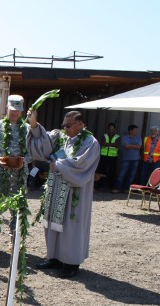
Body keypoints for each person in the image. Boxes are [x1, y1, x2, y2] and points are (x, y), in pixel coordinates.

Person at [27, 110, 100, 278]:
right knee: (53, 221)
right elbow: (44, 147)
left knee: (71, 225)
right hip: (57, 187)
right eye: (63, 125)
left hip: (75, 191)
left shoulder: (90, 142)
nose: (65, 128)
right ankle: (55, 257)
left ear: (81, 124)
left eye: (69, 125)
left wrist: (57, 163)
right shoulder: (62, 138)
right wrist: (34, 125)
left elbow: (81, 164)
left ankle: (71, 263)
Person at [0, 94, 31, 252]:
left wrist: (23, 161)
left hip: (18, 175)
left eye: (18, 111)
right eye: (12, 110)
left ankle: (14, 241)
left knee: (17, 208)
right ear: (7, 108)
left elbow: (33, 153)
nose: (15, 114)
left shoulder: (27, 128)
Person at [113, 125, 141, 193]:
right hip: (126, 159)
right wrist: (135, 146)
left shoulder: (138, 137)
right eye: (135, 130)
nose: (136, 131)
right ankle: (117, 188)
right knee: (122, 174)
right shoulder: (124, 138)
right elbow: (126, 146)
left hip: (136, 159)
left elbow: (139, 147)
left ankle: (127, 188)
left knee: (132, 175)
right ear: (130, 131)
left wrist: (131, 146)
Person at [97, 123, 120, 189]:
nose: (111, 130)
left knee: (112, 171)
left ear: (114, 129)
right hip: (104, 155)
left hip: (113, 156)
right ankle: (99, 185)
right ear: (108, 129)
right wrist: (112, 144)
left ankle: (111, 186)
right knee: (101, 171)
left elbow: (117, 144)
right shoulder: (104, 135)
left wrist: (107, 144)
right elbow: (102, 143)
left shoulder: (117, 136)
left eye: (112, 129)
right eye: (110, 129)